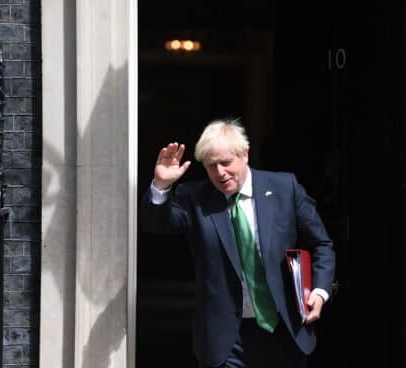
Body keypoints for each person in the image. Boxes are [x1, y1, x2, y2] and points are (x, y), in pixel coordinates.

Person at [140, 118, 335, 368]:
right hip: (225, 339)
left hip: (283, 329)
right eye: (211, 166)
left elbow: (322, 245)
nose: (220, 172)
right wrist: (162, 185)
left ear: (244, 155)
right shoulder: (194, 198)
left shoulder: (285, 188)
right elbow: (156, 224)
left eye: (226, 163)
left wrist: (319, 292)